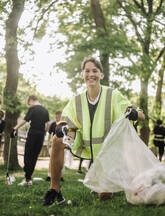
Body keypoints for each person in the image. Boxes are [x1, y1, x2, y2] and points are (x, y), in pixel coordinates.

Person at [43, 56, 145, 206]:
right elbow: (66, 123)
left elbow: (140, 114)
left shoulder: (113, 95)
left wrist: (136, 114)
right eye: (87, 71)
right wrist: (62, 130)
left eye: (95, 71)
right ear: (82, 75)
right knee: (57, 140)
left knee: (104, 195)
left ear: (101, 75)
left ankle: (104, 185)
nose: (91, 74)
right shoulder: (76, 100)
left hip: (109, 152)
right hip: (85, 144)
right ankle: (55, 191)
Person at [13, 95, 49, 185]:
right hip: (41, 135)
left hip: (33, 133)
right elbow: (47, 124)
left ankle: (27, 177)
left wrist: (15, 128)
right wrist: (44, 132)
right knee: (34, 156)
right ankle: (29, 178)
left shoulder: (33, 108)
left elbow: (25, 120)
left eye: (29, 103)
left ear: (31, 100)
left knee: (28, 154)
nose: (29, 105)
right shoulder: (45, 110)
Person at [46, 110, 64, 182]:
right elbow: (49, 134)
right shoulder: (53, 124)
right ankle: (49, 175)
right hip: (54, 144)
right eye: (55, 116)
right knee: (52, 160)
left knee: (61, 161)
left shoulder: (63, 124)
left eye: (58, 116)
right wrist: (48, 143)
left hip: (62, 143)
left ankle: (60, 176)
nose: (56, 118)